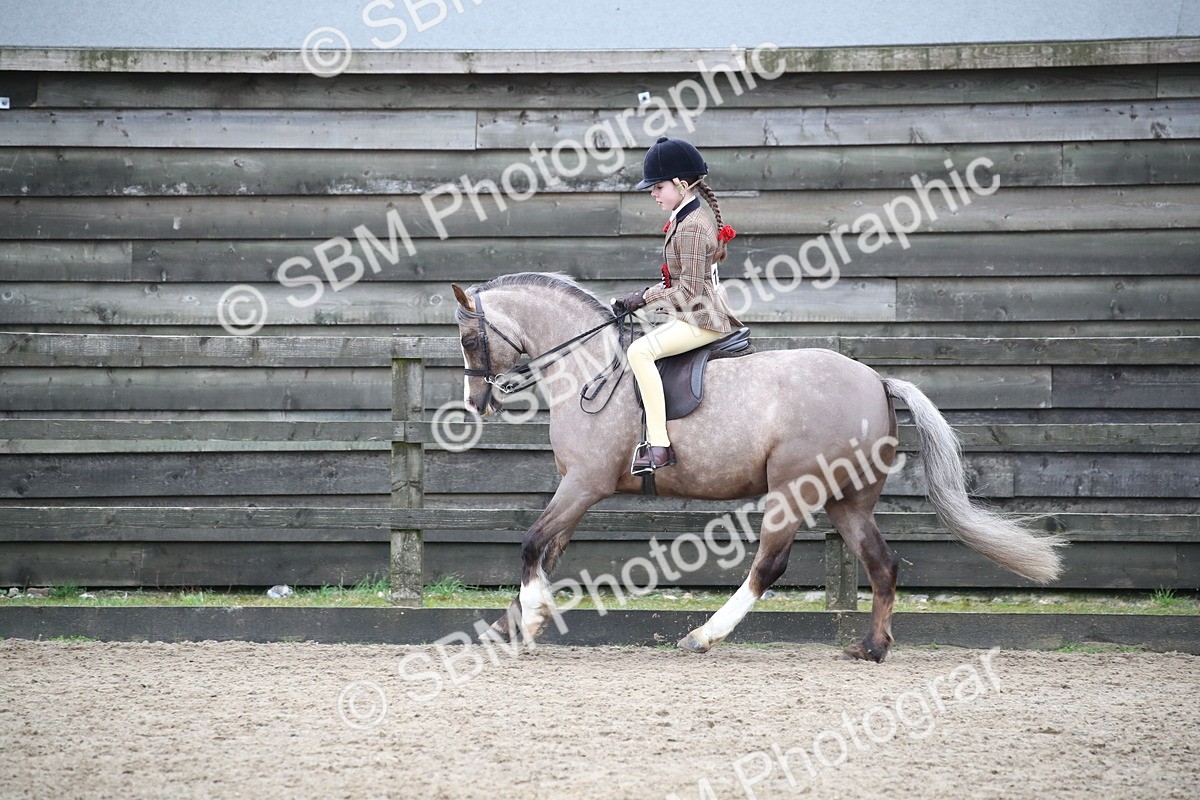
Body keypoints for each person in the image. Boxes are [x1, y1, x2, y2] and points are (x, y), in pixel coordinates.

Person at [614, 136, 744, 474]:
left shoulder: (692, 227)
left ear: (682, 184)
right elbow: (681, 282)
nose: (653, 194)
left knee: (638, 353)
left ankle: (659, 445)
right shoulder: (688, 217)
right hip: (694, 310)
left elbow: (687, 292)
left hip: (701, 318)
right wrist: (645, 293)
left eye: (657, 187)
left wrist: (643, 299)